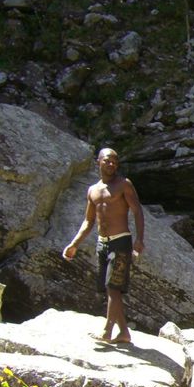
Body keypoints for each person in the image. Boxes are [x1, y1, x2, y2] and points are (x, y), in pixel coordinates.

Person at [62, 147, 145, 344]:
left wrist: (139, 239)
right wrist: (74, 244)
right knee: (109, 289)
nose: (111, 164)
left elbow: (137, 211)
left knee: (113, 287)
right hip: (103, 244)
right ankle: (124, 332)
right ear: (98, 161)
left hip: (121, 242)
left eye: (115, 161)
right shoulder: (93, 190)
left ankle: (107, 331)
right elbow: (88, 221)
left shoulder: (124, 185)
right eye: (107, 160)